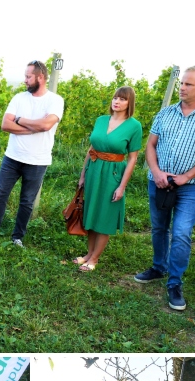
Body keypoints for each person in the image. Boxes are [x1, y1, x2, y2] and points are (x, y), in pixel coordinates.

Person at [135, 66, 195, 312]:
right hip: (159, 182)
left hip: (191, 187)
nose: (182, 88)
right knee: (159, 227)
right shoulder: (166, 113)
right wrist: (155, 172)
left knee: (181, 233)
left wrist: (187, 176)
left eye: (188, 84)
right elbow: (151, 145)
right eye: (182, 84)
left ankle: (174, 283)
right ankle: (158, 267)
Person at [0, 60, 63, 249]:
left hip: (37, 160)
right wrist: (32, 127)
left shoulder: (55, 100)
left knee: (26, 201)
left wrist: (19, 120)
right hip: (13, 157)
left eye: (28, 76)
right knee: (0, 195)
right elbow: (5, 125)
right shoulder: (19, 98)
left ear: (40, 77)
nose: (25, 80)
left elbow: (46, 125)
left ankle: (17, 238)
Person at [74, 86, 142, 272]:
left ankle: (94, 259)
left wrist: (122, 186)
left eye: (122, 99)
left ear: (130, 103)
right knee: (91, 211)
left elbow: (133, 158)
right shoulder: (101, 120)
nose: (117, 102)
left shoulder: (134, 126)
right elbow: (91, 149)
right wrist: (82, 175)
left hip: (113, 173)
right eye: (115, 98)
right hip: (94, 170)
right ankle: (88, 254)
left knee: (105, 215)